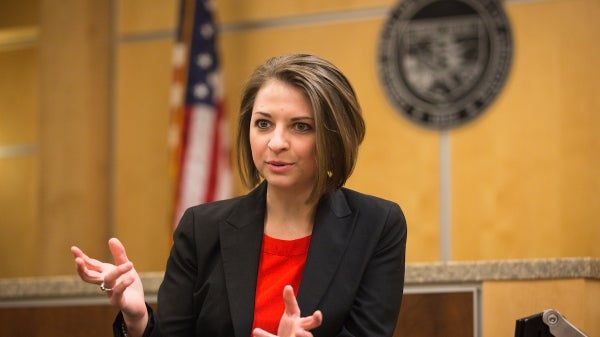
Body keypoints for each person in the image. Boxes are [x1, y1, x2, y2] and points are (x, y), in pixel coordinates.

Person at [71, 53, 407, 337]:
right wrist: (138, 318)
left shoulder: (378, 225)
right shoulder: (201, 228)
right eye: (263, 124)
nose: (276, 142)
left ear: (334, 137)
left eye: (300, 126)